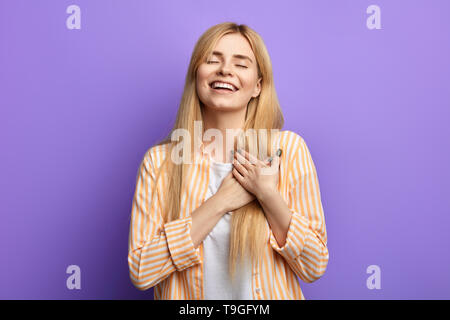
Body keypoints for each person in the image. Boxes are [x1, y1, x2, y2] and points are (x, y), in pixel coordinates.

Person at [128, 22, 328, 300]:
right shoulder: (160, 162)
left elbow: (314, 265)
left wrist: (268, 195)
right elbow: (141, 271)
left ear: (258, 86)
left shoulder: (289, 150)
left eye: (241, 64)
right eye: (212, 60)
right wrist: (221, 201)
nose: (225, 70)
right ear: (196, 75)